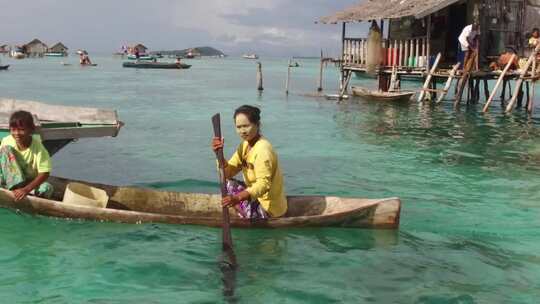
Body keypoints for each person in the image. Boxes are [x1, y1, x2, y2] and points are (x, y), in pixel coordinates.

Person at [211, 105, 287, 219]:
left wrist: (237, 198)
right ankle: (242, 209)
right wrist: (219, 155)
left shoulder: (263, 150)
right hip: (256, 198)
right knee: (228, 184)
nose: (242, 131)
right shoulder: (245, 145)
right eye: (238, 127)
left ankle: (245, 213)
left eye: (246, 126)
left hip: (269, 209)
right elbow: (227, 173)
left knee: (230, 189)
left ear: (257, 124)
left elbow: (263, 185)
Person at [0, 111, 53, 201]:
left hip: (29, 183)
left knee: (47, 188)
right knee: (5, 149)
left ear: (31, 129)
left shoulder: (38, 148)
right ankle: (13, 188)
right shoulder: (7, 141)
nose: (17, 133)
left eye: (21, 129)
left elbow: (45, 173)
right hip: (9, 180)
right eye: (13, 130)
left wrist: (26, 189)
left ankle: (25, 195)